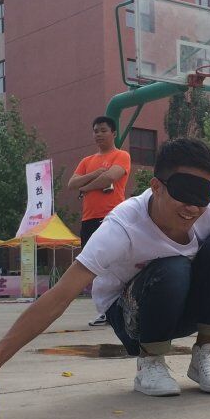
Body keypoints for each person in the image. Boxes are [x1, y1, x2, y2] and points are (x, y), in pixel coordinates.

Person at [0, 138, 210, 399]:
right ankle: (150, 363)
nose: (192, 207)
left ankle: (203, 355)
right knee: (172, 268)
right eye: (183, 194)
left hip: (180, 307)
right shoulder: (122, 226)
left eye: (201, 195)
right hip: (131, 318)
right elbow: (62, 294)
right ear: (156, 186)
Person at [66, 116, 131, 327]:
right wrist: (93, 175)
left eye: (103, 130)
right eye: (95, 131)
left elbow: (110, 177)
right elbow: (71, 183)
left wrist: (85, 187)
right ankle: (105, 311)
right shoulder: (87, 161)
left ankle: (123, 308)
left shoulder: (121, 155)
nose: (99, 134)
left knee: (117, 265)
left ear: (113, 133)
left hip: (113, 217)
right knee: (94, 266)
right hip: (89, 218)